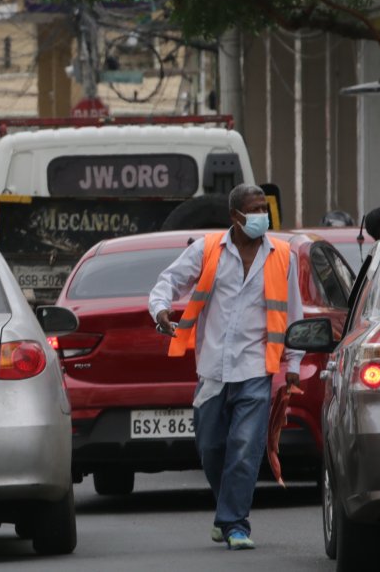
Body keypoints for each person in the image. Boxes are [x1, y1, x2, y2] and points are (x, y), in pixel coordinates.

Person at [149, 184, 304, 551]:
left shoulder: (283, 255)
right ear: (235, 216)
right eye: (254, 209)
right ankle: (227, 509)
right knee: (211, 447)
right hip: (212, 369)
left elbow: (294, 313)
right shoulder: (207, 250)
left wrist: (293, 362)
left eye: (263, 208)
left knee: (246, 446)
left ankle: (235, 523)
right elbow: (167, 282)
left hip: (255, 368)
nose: (261, 215)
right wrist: (160, 309)